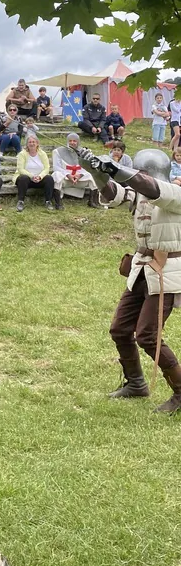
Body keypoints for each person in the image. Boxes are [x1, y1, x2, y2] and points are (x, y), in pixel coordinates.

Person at [78, 147, 181, 413]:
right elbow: (114, 194)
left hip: (167, 273)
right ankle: (136, 384)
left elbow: (147, 186)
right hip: (142, 270)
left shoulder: (174, 193)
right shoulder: (142, 194)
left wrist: (112, 166)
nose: (138, 176)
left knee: (147, 335)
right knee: (120, 329)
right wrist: (96, 171)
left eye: (142, 172)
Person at [51, 131, 98, 208]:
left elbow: (89, 167)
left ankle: (92, 201)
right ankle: (58, 203)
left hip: (80, 180)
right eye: (70, 141)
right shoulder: (57, 152)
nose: (72, 143)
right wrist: (68, 175)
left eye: (74, 141)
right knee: (56, 175)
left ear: (78, 142)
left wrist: (80, 175)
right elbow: (56, 167)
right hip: (65, 179)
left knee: (93, 174)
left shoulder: (85, 152)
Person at [14, 135, 54, 211]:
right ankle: (20, 201)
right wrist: (32, 176)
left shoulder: (42, 154)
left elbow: (46, 168)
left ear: (37, 143)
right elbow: (20, 169)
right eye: (30, 142)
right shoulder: (22, 154)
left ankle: (48, 201)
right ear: (27, 144)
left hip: (39, 179)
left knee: (49, 178)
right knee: (23, 178)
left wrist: (40, 176)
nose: (32, 144)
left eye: (33, 142)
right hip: (27, 179)